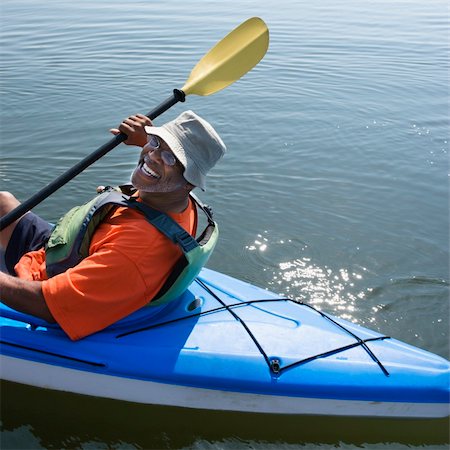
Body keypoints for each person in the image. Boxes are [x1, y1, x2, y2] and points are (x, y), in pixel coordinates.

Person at [0, 111, 226, 340]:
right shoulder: (172, 196)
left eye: (170, 157)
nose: (152, 156)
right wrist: (146, 141)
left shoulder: (134, 253)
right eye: (156, 142)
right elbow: (159, 160)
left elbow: (46, 305)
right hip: (65, 252)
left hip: (45, 287)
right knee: (2, 202)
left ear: (190, 182)